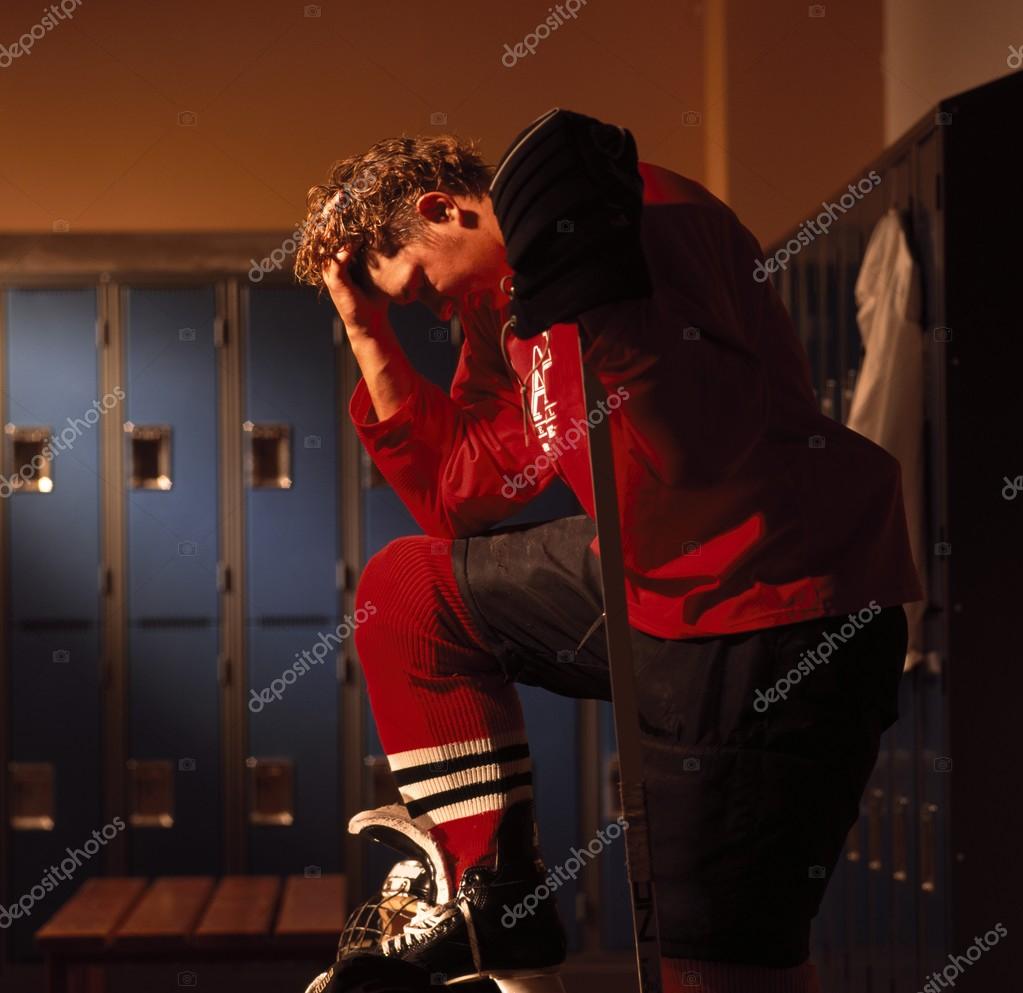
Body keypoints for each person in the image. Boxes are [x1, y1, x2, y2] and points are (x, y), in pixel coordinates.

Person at [293, 112, 922, 993]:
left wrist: (591, 306)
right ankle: (497, 906)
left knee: (712, 972)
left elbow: (692, 451)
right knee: (409, 590)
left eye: (418, 288)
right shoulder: (499, 309)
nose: (431, 308)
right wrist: (368, 334)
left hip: (772, 600)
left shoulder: (638, 218)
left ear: (441, 209)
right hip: (648, 576)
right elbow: (455, 495)